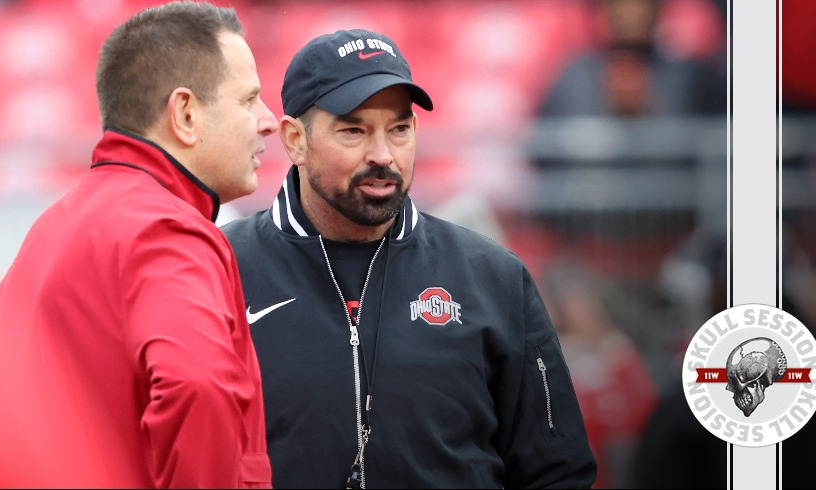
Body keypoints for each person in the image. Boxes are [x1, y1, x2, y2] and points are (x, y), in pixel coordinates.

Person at [221, 28, 597, 489]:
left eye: (399, 129)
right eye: (354, 130)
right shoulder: (222, 268)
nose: (383, 155)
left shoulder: (492, 276)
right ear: (295, 140)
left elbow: (557, 469)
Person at [0, 2, 278, 487]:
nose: (268, 121)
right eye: (248, 100)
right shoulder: (163, 228)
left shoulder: (52, 228)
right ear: (184, 114)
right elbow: (196, 384)